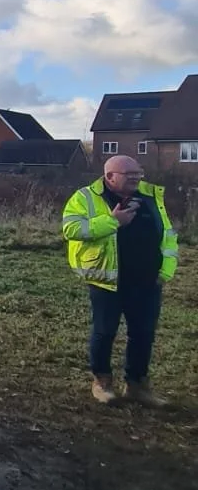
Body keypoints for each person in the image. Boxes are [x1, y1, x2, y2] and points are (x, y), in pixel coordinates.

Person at [61, 156, 178, 405]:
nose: (136, 178)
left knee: (143, 334)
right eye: (129, 174)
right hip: (108, 280)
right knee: (104, 332)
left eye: (138, 173)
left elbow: (167, 235)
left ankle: (137, 386)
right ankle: (102, 383)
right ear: (110, 176)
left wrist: (165, 271)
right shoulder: (85, 197)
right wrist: (113, 221)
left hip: (147, 281)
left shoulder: (150, 196)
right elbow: (71, 229)